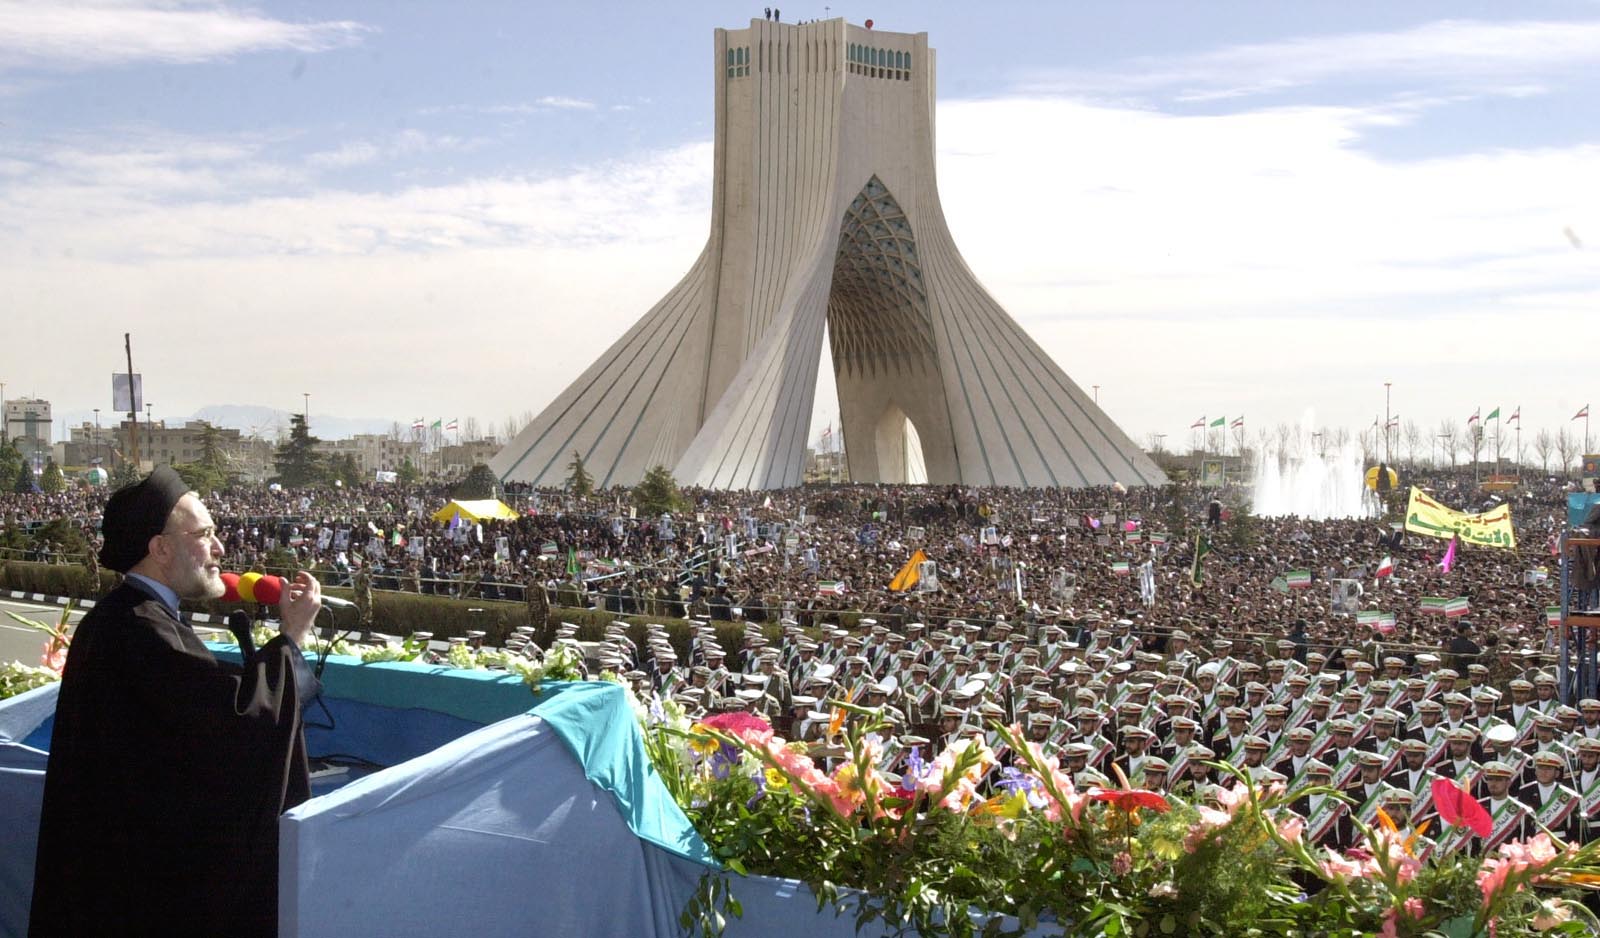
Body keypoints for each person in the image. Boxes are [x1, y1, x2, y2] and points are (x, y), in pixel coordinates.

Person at [30, 466, 324, 937]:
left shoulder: (122, 620)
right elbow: (241, 724)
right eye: (205, 533)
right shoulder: (141, 630)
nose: (220, 549)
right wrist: (291, 638)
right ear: (160, 548)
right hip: (139, 895)